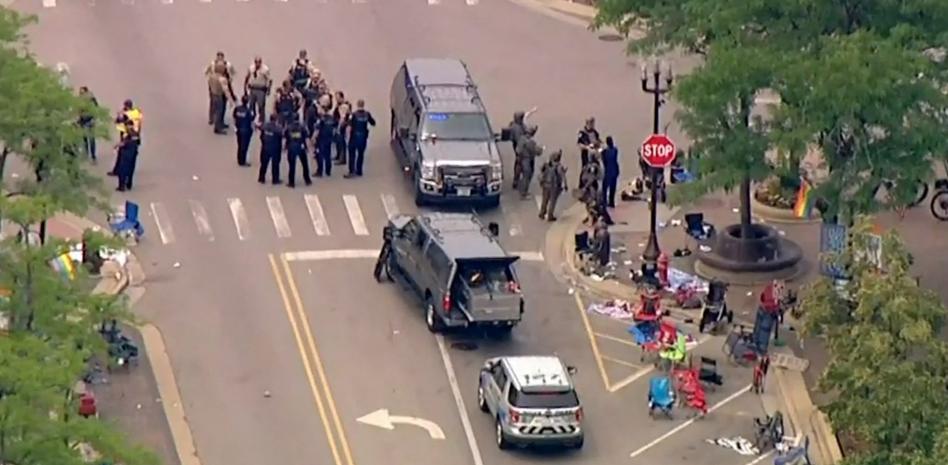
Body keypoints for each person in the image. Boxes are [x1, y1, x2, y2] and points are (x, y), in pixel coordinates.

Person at [109, 100, 143, 177]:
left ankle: (120, 171)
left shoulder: (126, 114)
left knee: (122, 154)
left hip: (127, 135)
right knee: (129, 155)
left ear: (126, 106)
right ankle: (120, 171)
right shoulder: (137, 112)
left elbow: (118, 121)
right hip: (136, 135)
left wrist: (119, 114)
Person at [345, 99, 375, 178]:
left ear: (357, 105)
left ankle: (352, 171)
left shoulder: (353, 115)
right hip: (363, 137)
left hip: (354, 137)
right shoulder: (367, 114)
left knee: (352, 154)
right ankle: (359, 170)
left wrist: (347, 136)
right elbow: (373, 123)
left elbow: (349, 126)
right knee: (361, 154)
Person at [205, 51, 236, 125]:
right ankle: (212, 118)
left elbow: (233, 73)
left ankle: (220, 119)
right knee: (213, 103)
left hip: (224, 83)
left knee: (222, 104)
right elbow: (206, 71)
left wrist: (229, 79)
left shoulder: (228, 65)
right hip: (215, 84)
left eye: (221, 58)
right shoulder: (212, 64)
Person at [539, 149, 567, 221]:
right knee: (552, 202)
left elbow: (541, 172)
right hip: (554, 186)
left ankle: (542, 213)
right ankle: (550, 215)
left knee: (544, 200)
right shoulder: (559, 167)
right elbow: (562, 176)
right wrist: (565, 185)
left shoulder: (547, 164)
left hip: (545, 185)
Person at [284, 117, 312, 188]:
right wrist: (308, 148)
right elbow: (306, 138)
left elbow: (285, 138)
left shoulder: (288, 127)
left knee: (292, 165)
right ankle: (307, 180)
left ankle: (291, 182)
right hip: (301, 147)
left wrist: (284, 147)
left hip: (292, 147)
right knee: (305, 164)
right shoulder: (302, 127)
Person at [516, 125, 542, 198]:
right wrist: (541, 149)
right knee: (527, 176)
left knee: (522, 175)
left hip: (520, 159)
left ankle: (519, 187)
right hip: (527, 160)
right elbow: (537, 152)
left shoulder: (521, 139)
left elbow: (518, 150)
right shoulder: (531, 142)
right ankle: (524, 193)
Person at [115, 118, 141, 192]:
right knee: (130, 169)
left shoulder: (127, 133)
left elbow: (124, 143)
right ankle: (129, 184)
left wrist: (117, 146)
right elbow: (138, 142)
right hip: (133, 154)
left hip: (125, 154)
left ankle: (121, 186)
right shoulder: (136, 133)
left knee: (122, 170)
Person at [244, 56, 271, 123]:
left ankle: (261, 120)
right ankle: (252, 118)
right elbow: (247, 77)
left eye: (259, 62)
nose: (257, 64)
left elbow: (269, 80)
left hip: (261, 89)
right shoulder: (251, 68)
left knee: (261, 105)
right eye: (256, 62)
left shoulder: (265, 69)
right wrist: (245, 87)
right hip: (252, 88)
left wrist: (268, 89)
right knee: (251, 105)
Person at [258, 114, 283, 185]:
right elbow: (281, 135)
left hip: (265, 147)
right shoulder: (278, 128)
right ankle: (275, 179)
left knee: (264, 163)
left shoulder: (264, 126)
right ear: (276, 120)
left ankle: (261, 178)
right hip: (275, 148)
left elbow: (260, 131)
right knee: (275, 164)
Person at [233, 95, 256, 166]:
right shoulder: (249, 111)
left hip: (238, 129)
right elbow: (252, 120)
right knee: (244, 146)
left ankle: (239, 159)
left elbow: (234, 117)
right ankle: (242, 161)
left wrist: (235, 127)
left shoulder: (237, 109)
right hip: (246, 131)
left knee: (239, 145)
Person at [77, 86, 98, 161]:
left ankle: (93, 156)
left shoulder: (91, 100)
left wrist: (94, 119)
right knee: (84, 138)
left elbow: (96, 109)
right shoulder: (80, 100)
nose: (81, 94)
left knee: (91, 139)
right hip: (83, 121)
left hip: (90, 120)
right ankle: (86, 154)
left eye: (82, 92)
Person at [314, 111, 337, 177]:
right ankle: (328, 171)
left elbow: (317, 130)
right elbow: (335, 127)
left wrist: (313, 138)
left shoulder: (321, 119)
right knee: (328, 155)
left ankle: (320, 171)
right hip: (329, 138)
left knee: (320, 155)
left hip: (322, 139)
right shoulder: (332, 118)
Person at [601, 136, 620, 208]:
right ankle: (611, 202)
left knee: (605, 188)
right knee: (613, 187)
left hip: (608, 172)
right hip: (615, 170)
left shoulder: (605, 152)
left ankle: (604, 202)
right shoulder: (615, 150)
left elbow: (604, 161)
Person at [333, 91, 351, 166]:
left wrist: (339, 128)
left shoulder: (343, 106)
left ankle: (342, 159)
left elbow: (342, 118)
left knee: (341, 142)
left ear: (341, 97)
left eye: (338, 98)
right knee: (338, 141)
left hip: (341, 126)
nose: (336, 99)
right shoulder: (339, 105)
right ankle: (338, 155)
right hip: (338, 125)